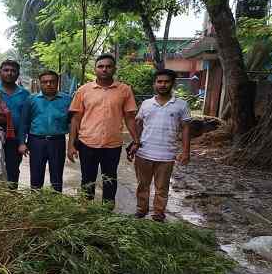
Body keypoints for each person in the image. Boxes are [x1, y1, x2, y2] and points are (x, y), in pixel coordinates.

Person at [68, 53, 139, 207]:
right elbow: (76, 118)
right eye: (101, 66)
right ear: (95, 69)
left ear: (114, 69)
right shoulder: (84, 90)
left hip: (112, 145)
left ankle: (107, 212)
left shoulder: (124, 90)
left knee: (110, 179)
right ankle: (85, 210)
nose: (104, 69)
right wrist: (71, 144)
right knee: (87, 179)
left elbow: (129, 117)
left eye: (108, 66)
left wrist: (136, 140)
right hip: (87, 143)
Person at [128, 69, 191, 222]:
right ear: (154, 84)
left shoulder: (181, 105)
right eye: (159, 81)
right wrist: (134, 144)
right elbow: (139, 125)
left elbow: (185, 128)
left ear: (172, 84)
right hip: (144, 153)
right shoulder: (146, 104)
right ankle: (141, 210)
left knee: (162, 188)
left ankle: (158, 214)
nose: (163, 85)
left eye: (166, 81)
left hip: (166, 155)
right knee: (143, 185)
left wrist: (186, 151)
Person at [18, 70, 71, 192]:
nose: (48, 84)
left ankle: (55, 205)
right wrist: (22, 143)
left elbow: (73, 122)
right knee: (36, 175)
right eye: (45, 82)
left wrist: (73, 144)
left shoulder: (67, 100)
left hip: (57, 141)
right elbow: (24, 123)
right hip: (36, 141)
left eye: (52, 81)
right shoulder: (31, 100)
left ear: (57, 83)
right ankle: (36, 203)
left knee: (57, 176)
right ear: (40, 84)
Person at [0, 60, 30, 189]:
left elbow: (25, 121)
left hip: (14, 139)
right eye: (6, 70)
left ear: (18, 73)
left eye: (13, 71)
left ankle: (11, 200)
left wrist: (22, 142)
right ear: (0, 72)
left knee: (13, 170)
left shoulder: (24, 94)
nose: (9, 73)